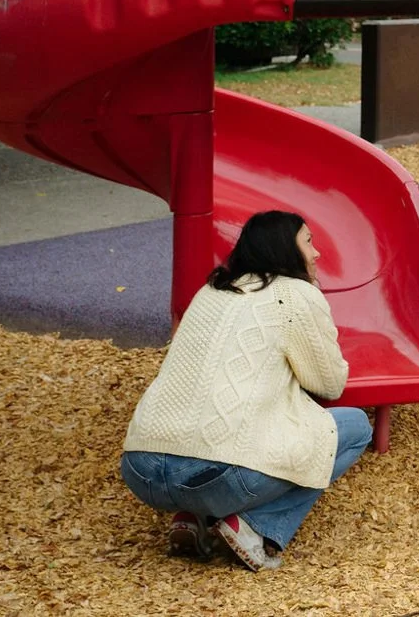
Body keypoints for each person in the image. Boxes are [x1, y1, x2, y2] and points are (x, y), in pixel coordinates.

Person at [119, 210, 369, 570]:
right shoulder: (296, 295)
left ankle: (193, 517)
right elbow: (329, 383)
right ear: (286, 249)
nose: (316, 253)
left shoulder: (212, 290)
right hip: (215, 477)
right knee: (353, 428)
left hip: (140, 468)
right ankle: (253, 526)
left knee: (225, 431)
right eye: (308, 242)